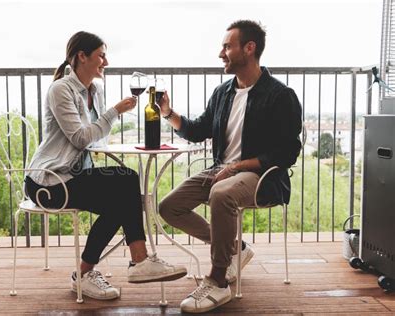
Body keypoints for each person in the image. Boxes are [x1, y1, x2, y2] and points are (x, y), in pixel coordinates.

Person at [25, 31, 187, 301]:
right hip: (48, 182)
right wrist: (114, 112)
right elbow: (79, 138)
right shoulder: (61, 90)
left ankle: (91, 273)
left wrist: (106, 119)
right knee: (126, 182)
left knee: (123, 196)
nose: (106, 62)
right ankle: (136, 261)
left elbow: (97, 136)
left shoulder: (94, 90)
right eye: (101, 55)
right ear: (81, 56)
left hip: (74, 176)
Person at [158, 20, 302, 313]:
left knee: (221, 194)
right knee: (169, 207)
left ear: (249, 48)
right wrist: (168, 113)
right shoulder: (223, 93)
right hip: (221, 169)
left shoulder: (280, 95)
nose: (221, 53)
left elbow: (287, 152)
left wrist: (237, 167)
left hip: (261, 176)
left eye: (227, 46)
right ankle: (235, 249)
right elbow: (197, 129)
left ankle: (219, 279)